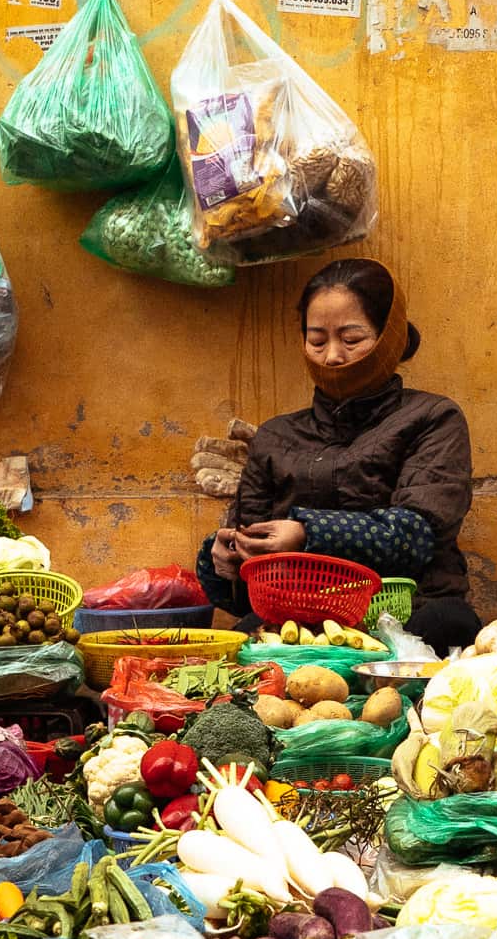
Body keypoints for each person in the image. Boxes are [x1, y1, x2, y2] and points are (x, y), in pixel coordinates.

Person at [198, 260, 481, 653]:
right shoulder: (276, 436)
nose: (332, 357)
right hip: (299, 619)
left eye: (351, 339)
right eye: (317, 340)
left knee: (448, 623)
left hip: (412, 611)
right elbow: (247, 584)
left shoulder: (433, 418)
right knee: (245, 641)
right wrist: (228, 557)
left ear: (389, 336)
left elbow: (416, 535)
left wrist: (306, 534)